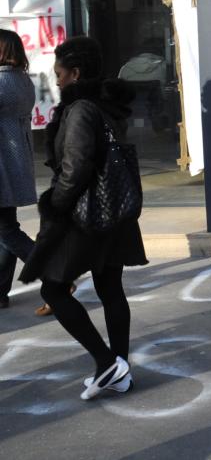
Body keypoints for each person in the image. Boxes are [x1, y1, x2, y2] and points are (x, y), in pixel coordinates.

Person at [18, 36, 146, 400]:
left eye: (59, 74)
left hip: (86, 212)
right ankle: (119, 369)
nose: (56, 81)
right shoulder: (107, 106)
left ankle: (107, 363)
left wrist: (55, 206)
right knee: (110, 288)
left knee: (53, 289)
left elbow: (76, 167)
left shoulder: (80, 110)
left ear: (75, 73)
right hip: (115, 210)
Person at [0, 29, 38, 309]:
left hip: (2, 164)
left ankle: (54, 273)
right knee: (6, 228)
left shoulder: (1, 82)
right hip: (15, 162)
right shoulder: (23, 80)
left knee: (6, 231)